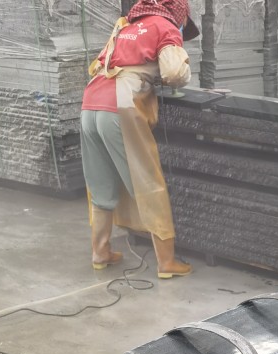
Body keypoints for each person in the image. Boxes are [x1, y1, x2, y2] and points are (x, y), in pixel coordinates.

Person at [80, 0, 197, 278]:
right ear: (179, 13)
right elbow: (175, 73)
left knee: (100, 182)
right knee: (148, 183)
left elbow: (100, 63)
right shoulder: (166, 27)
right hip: (121, 105)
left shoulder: (125, 25)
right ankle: (167, 262)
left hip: (91, 103)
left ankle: (100, 252)